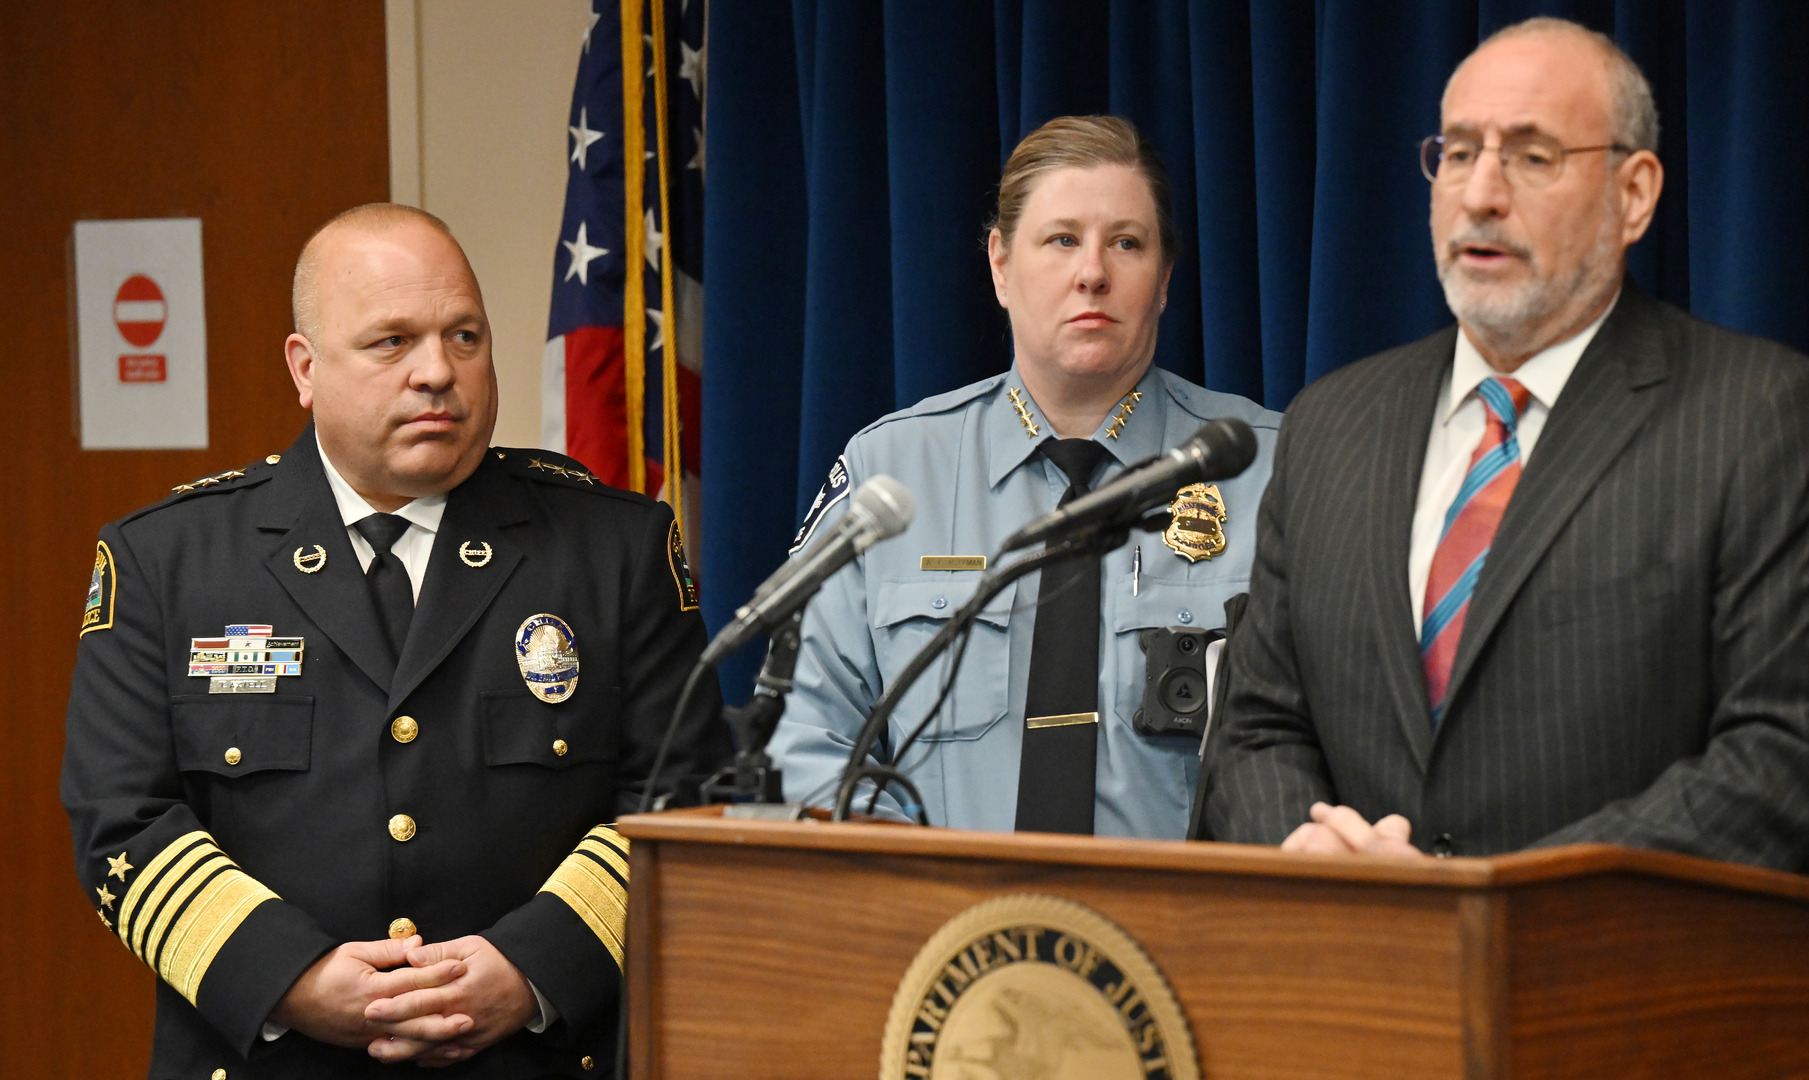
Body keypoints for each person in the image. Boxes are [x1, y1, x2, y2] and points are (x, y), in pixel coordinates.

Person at [1200, 17, 1809, 875]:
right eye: (1457, 153)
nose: (1481, 194)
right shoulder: (1330, 424)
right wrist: (1319, 860)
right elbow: (1257, 725)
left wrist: (1488, 904)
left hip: (1628, 988)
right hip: (1365, 978)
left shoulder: (1764, 417)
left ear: (1634, 193)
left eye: (1532, 156)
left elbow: (1792, 757)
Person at [60, 203, 728, 1075]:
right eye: (391, 342)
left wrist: (533, 968)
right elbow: (121, 820)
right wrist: (289, 974)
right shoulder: (165, 560)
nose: (436, 373)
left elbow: (683, 798)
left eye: (464, 337)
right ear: (305, 369)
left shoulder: (615, 549)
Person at [768, 116, 1282, 838]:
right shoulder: (888, 474)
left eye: (1127, 243)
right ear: (1001, 266)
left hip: (1195, 936)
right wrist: (921, 890)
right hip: (947, 933)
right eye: (1062, 238)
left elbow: (1335, 741)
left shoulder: (1272, 471)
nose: (1093, 272)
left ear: (1164, 280)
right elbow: (803, 736)